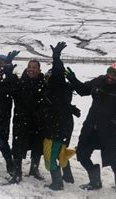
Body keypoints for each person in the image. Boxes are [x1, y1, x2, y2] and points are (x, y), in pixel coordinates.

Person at [65, 60, 116, 197]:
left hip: (110, 131)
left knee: (114, 161)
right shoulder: (99, 81)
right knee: (82, 154)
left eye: (114, 76)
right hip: (91, 127)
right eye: (109, 73)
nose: (110, 77)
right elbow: (83, 90)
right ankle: (95, 181)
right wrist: (72, 78)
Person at [42, 42, 79, 190]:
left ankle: (57, 184)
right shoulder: (61, 90)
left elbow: (58, 72)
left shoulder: (56, 86)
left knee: (50, 158)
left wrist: (56, 57)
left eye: (48, 77)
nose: (46, 79)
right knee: (60, 152)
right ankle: (68, 176)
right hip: (63, 126)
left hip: (56, 127)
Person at [10, 59, 49, 184]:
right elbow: (11, 91)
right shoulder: (20, 82)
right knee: (18, 146)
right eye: (29, 67)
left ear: (39, 70)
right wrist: (9, 71)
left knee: (37, 146)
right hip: (21, 120)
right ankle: (17, 172)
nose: (31, 69)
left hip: (37, 121)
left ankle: (34, 169)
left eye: (34, 67)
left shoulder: (43, 84)